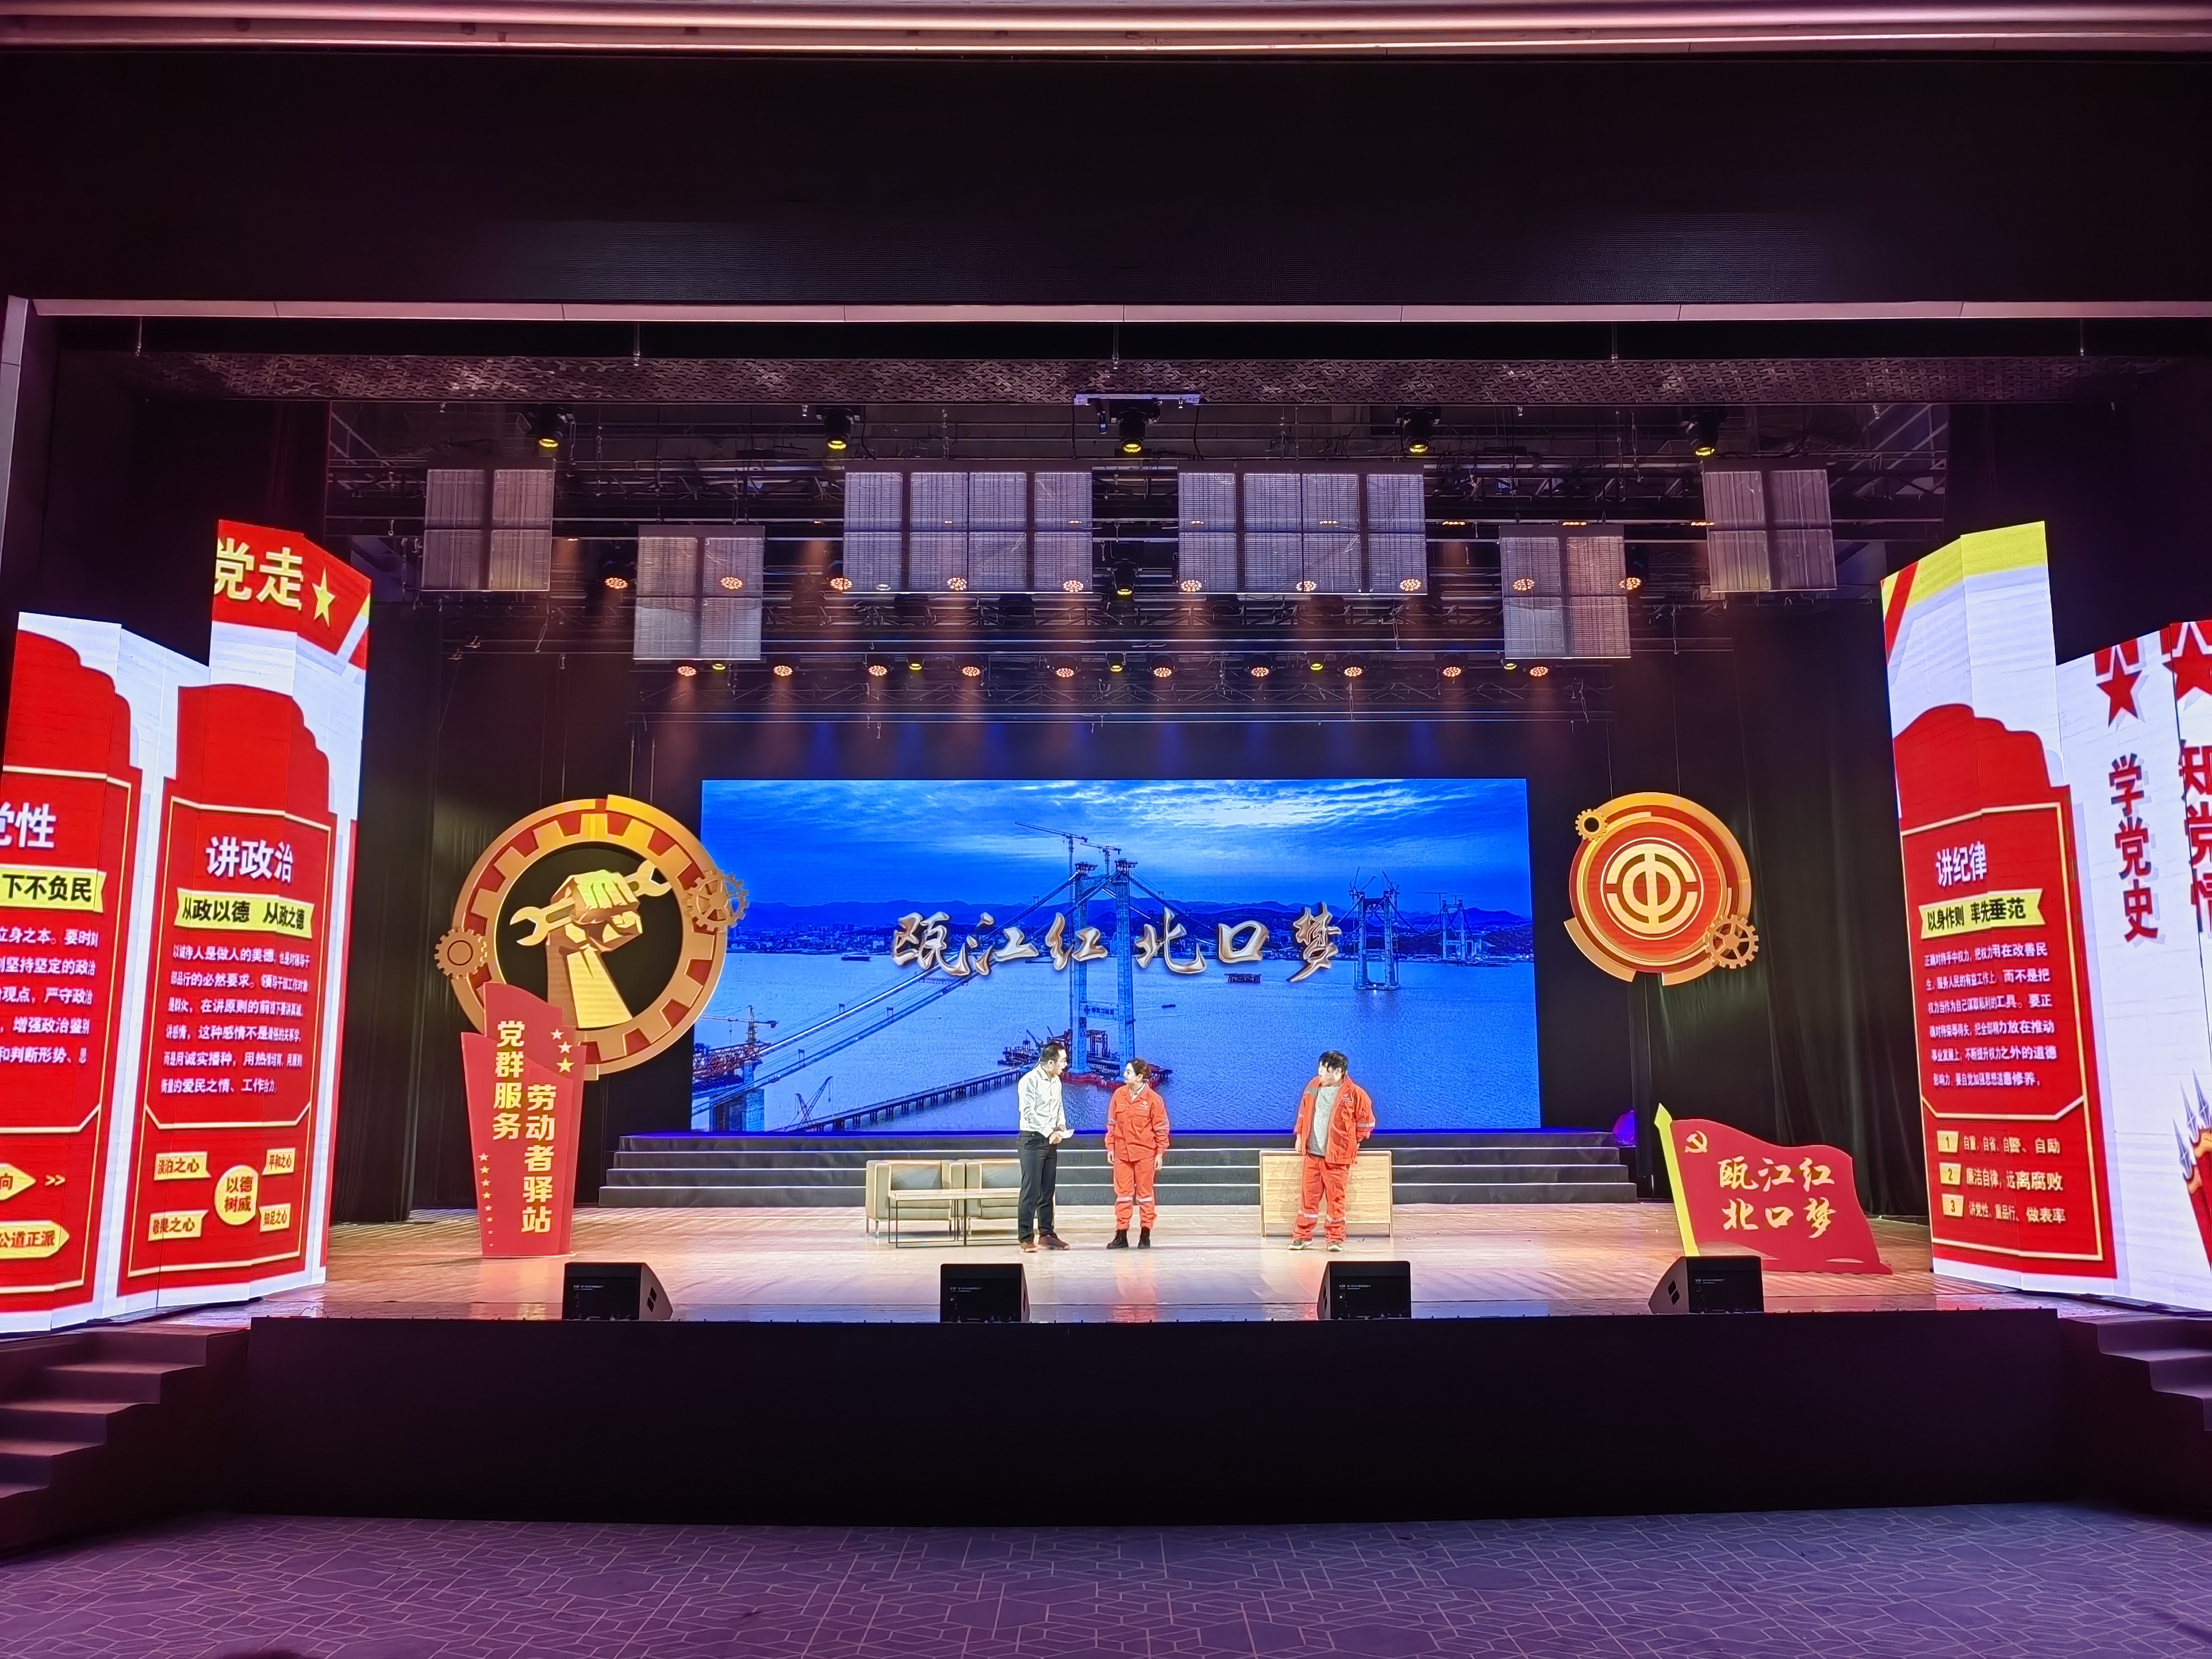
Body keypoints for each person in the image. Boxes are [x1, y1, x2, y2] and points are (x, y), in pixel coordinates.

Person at [1290, 1049, 1375, 1251]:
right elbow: (1303, 1112)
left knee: (1337, 1200)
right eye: (1320, 1067)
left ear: (1338, 1072)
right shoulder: (1312, 1086)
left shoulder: (1355, 1094)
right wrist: (1300, 1135)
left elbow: (1366, 1122)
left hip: (1338, 1158)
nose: (1320, 1072)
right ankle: (1303, 1236)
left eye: (1325, 1069)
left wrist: (1354, 1141)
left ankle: (1335, 1238)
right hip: (1313, 1155)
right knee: (1308, 1198)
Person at [1103, 1057, 1170, 1249]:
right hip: (1122, 1153)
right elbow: (1112, 1124)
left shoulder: (1154, 1100)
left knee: (1145, 1195)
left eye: (1128, 1072)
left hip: (1145, 1154)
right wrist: (1111, 1147)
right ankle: (1121, 1235)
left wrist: (1159, 1153)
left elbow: (1161, 1129)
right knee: (1123, 1195)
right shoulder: (1119, 1095)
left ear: (1140, 1077)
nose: (1124, 1075)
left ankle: (1145, 1234)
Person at [1016, 1041, 1073, 1252]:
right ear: (1050, 1063)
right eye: (1063, 1061)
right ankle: (1025, 1237)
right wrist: (1050, 1132)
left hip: (1051, 1140)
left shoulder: (1057, 1081)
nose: (1065, 1065)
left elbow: (1059, 1106)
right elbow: (1028, 1113)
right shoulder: (1029, 1081)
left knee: (1047, 1190)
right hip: (1032, 1140)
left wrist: (1061, 1125)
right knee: (1031, 1190)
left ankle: (1047, 1234)